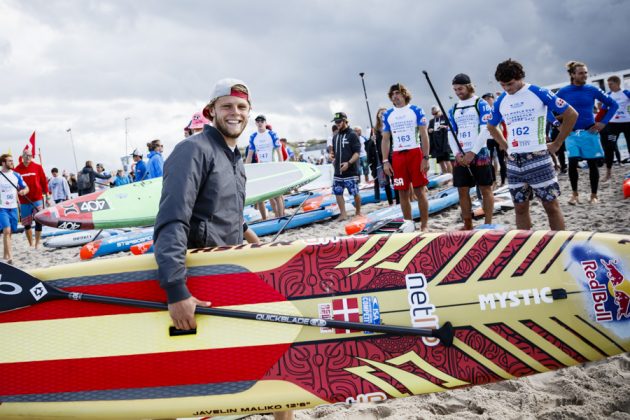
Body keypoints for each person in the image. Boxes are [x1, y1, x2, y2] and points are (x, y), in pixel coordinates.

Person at [154, 78, 251, 330]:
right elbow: (173, 219)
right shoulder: (192, 150)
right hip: (197, 278)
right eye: (227, 106)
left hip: (226, 269)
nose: (235, 113)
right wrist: (176, 291)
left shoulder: (234, 157)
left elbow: (230, 216)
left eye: (241, 107)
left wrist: (263, 248)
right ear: (211, 112)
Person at [486, 59, 578, 230]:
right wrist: (506, 146)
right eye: (503, 85)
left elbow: (571, 114)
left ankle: (559, 245)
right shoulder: (501, 100)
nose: (507, 88)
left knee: (550, 205)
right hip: (514, 161)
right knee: (520, 208)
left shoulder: (539, 92)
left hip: (538, 157)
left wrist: (557, 144)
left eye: (510, 84)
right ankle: (524, 248)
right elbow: (491, 126)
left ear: (520, 77)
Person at [556, 61, 618, 205]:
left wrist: (603, 122)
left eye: (585, 72)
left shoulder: (592, 90)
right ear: (572, 75)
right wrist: (557, 124)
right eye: (581, 73)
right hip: (571, 134)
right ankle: (574, 195)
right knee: (572, 163)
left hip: (589, 132)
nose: (585, 75)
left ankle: (593, 195)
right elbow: (548, 108)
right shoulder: (564, 91)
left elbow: (613, 104)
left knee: (592, 164)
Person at [448, 73, 495, 229]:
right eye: (455, 89)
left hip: (479, 152)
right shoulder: (454, 108)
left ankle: (488, 223)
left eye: (460, 88)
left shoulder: (480, 103)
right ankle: (468, 224)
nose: (458, 92)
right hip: (461, 154)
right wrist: (456, 153)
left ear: (468, 86)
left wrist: (473, 152)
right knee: (462, 189)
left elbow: (486, 130)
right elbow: (451, 133)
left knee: (485, 188)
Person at [381, 83, 431, 232]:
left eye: (398, 93)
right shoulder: (388, 114)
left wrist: (426, 157)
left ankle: (424, 225)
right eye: (392, 94)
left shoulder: (415, 110)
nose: (395, 96)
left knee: (419, 191)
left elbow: (424, 134)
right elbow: (385, 139)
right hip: (397, 156)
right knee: (402, 192)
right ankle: (408, 225)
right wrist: (385, 161)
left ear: (404, 94)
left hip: (415, 153)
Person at [246, 115, 285, 219]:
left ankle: (281, 217)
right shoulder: (253, 136)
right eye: (257, 121)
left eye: (262, 121)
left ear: (265, 122)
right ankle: (276, 217)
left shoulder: (272, 134)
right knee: (269, 196)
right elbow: (250, 155)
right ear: (256, 123)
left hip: (273, 167)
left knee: (278, 195)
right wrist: (245, 169)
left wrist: (281, 166)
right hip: (262, 169)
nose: (259, 123)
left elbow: (279, 151)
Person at [14, 150, 49, 248]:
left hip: (37, 198)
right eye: (26, 155)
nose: (28, 157)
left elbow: (43, 182)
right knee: (26, 224)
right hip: (24, 200)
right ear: (22, 156)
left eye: (30, 155)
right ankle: (31, 243)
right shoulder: (17, 169)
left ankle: (37, 243)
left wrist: (47, 195)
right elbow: (15, 185)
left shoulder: (37, 167)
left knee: (39, 221)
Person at [331, 112, 362, 220]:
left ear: (345, 121)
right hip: (338, 171)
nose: (337, 124)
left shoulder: (352, 134)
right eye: (336, 122)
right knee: (338, 192)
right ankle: (343, 214)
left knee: (355, 192)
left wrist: (348, 163)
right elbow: (334, 152)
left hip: (350, 170)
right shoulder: (335, 137)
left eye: (339, 121)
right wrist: (333, 158)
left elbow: (357, 153)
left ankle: (358, 212)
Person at [0, 154, 28, 264]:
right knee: (6, 231)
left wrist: (23, 191)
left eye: (12, 160)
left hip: (14, 207)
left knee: (10, 232)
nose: (12, 162)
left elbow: (26, 187)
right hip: (2, 208)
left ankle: (5, 254)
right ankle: (10, 257)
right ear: (3, 163)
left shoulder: (16, 175)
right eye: (9, 161)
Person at [601, 75, 630, 180]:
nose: (609, 86)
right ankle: (608, 173)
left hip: (627, 123)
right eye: (608, 84)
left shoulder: (626, 93)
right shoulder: (608, 95)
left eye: (611, 84)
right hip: (613, 125)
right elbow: (603, 110)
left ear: (617, 83)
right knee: (609, 148)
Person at [482, 93, 507, 186]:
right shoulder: (484, 112)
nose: (487, 101)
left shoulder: (498, 109)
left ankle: (503, 181)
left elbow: (504, 126)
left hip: (498, 139)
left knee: (501, 160)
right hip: (488, 140)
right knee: (489, 161)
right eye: (485, 99)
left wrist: (502, 142)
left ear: (493, 99)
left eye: (489, 98)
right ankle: (493, 181)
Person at [428, 105, 453, 175]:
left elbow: (452, 127)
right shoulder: (432, 121)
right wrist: (429, 130)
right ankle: (445, 178)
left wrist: (444, 126)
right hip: (436, 144)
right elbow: (428, 130)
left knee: (447, 161)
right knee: (441, 162)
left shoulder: (445, 118)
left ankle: (450, 177)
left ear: (440, 111)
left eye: (436, 113)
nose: (435, 115)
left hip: (444, 143)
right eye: (433, 114)